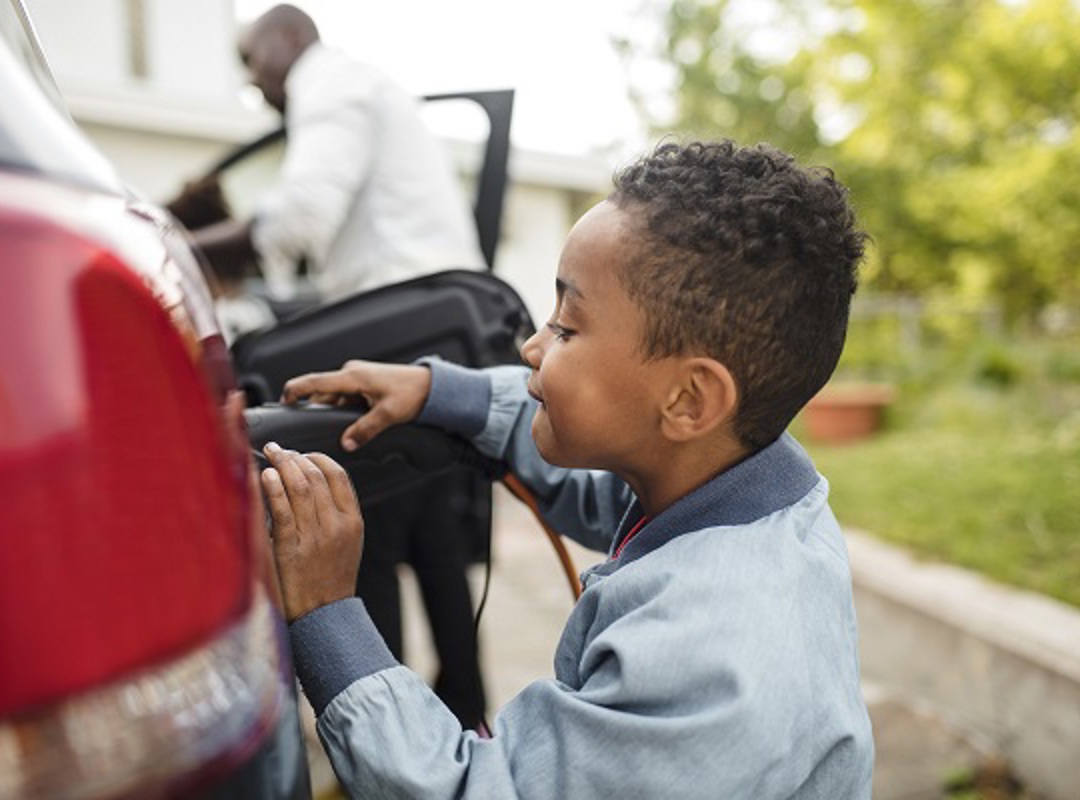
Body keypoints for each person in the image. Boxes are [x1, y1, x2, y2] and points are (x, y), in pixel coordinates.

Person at [259, 139, 876, 797]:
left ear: (690, 399)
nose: (532, 346)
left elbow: (482, 790)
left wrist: (327, 615)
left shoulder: (711, 653)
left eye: (568, 328)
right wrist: (446, 394)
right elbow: (591, 487)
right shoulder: (741, 483)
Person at [186, 4, 489, 727]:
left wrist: (179, 241)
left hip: (405, 328)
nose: (257, 89)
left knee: (366, 531)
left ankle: (388, 739)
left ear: (289, 40)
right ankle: (467, 712)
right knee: (430, 530)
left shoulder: (331, 84)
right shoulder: (367, 87)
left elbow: (299, 218)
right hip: (437, 327)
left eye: (254, 65)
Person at [189, 3, 483, 302]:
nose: (250, 78)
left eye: (250, 58)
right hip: (424, 292)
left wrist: (183, 249)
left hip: (410, 296)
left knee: (255, 349)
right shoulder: (350, 81)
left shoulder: (331, 83)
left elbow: (301, 212)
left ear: (290, 36)